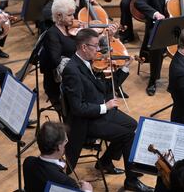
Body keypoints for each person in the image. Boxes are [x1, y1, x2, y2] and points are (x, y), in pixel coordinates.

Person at [62, 28, 153, 192]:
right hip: (86, 122)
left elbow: (103, 87)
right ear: (84, 47)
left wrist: (124, 68)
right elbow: (77, 108)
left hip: (99, 112)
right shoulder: (72, 71)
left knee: (132, 125)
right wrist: (105, 106)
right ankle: (131, 181)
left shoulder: (86, 63)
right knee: (128, 135)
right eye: (95, 46)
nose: (99, 50)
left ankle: (104, 162)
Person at [23, 122, 93, 192]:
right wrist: (87, 191)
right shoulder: (67, 182)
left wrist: (59, 170)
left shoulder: (28, 162)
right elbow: (55, 178)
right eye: (65, 141)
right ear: (59, 147)